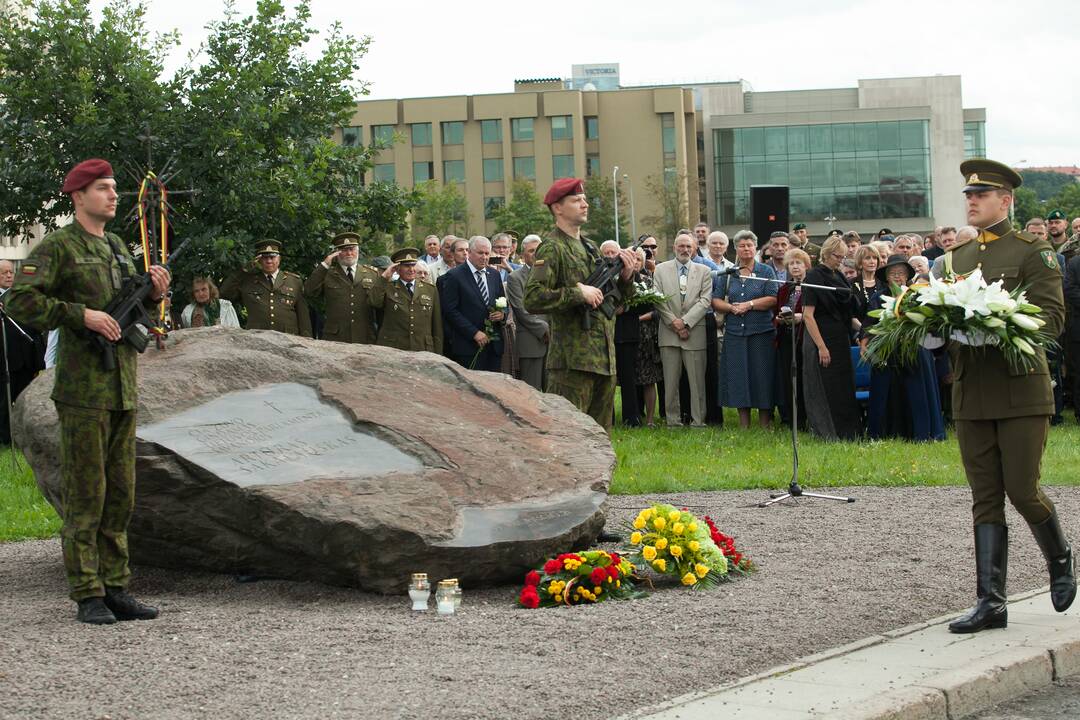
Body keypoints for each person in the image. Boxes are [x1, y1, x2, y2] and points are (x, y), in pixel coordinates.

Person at [5, 158, 168, 624]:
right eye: (103, 188)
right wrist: (81, 316)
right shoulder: (58, 247)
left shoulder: (117, 246)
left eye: (115, 188)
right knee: (86, 494)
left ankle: (117, 587)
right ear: (78, 197)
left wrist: (154, 293)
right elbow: (21, 301)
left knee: (121, 494)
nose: (114, 195)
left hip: (122, 387)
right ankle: (87, 592)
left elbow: (130, 312)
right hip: (82, 391)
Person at [944, 159, 1073, 634]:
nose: (972, 201)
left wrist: (993, 327)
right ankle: (990, 602)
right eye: (969, 195)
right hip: (972, 392)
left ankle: (1059, 557)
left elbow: (1052, 320)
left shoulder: (1032, 252)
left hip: (1021, 390)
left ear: (1007, 200)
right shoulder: (954, 258)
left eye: (982, 194)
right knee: (984, 497)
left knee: (1022, 489)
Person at [523, 177, 636, 432]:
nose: (585, 204)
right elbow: (532, 298)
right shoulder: (552, 247)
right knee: (568, 436)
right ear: (558, 208)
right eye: (576, 200)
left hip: (603, 359)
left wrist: (627, 277)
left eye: (584, 200)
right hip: (571, 364)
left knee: (600, 438)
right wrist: (577, 293)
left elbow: (614, 300)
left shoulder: (590, 247)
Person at [859, 255, 944, 442]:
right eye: (893, 273)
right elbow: (868, 324)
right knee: (885, 391)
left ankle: (922, 432)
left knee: (916, 391)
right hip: (887, 351)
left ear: (907, 276)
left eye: (901, 273)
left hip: (915, 350)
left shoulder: (917, 296)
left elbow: (931, 323)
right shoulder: (878, 297)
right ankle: (884, 432)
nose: (897, 277)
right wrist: (865, 342)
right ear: (887, 277)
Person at [712, 230, 778, 428]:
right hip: (735, 333)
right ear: (736, 248)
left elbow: (773, 298)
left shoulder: (766, 271)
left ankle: (765, 424)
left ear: (755, 247)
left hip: (761, 333)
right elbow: (715, 300)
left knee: (762, 376)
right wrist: (732, 307)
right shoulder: (729, 273)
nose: (746, 249)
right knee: (740, 375)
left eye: (749, 245)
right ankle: (744, 425)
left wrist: (748, 305)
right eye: (742, 245)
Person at [801, 235, 861, 440]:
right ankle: (829, 432)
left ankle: (849, 432)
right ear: (826, 253)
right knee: (826, 387)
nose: (840, 260)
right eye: (838, 256)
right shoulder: (813, 277)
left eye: (843, 257)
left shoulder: (840, 276)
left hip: (840, 337)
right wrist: (821, 346)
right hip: (822, 337)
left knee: (843, 387)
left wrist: (864, 330)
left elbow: (848, 313)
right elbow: (808, 315)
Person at [652, 232, 712, 427]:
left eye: (688, 246)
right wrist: (674, 323)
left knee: (697, 382)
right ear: (674, 248)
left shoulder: (704, 271)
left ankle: (698, 421)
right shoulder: (660, 269)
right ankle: (673, 421)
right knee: (670, 382)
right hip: (669, 333)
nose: (685, 250)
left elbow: (705, 301)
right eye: (681, 246)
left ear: (694, 249)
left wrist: (685, 322)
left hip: (695, 332)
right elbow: (657, 298)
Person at [438, 235, 505, 371]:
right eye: (480, 253)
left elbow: (503, 302)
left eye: (487, 253)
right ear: (469, 253)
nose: (485, 257)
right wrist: (474, 333)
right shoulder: (455, 276)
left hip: (493, 346)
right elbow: (450, 311)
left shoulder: (494, 275)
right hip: (468, 347)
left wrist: (502, 314)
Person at [220, 240, 311, 337]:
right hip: (257, 338)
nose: (269, 261)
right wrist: (243, 271)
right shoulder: (248, 280)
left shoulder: (294, 281)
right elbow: (224, 293)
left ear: (279, 258)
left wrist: (307, 339)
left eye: (272, 257)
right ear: (258, 260)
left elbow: (303, 316)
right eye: (265, 258)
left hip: (288, 337)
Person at [302, 232, 378, 343]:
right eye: (344, 250)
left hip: (365, 336)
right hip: (336, 337)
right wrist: (324, 265)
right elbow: (309, 291)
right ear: (337, 253)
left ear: (357, 251)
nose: (349, 253)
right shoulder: (327, 273)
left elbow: (379, 305)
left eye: (352, 249)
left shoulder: (372, 274)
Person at [0, 259, 46, 444]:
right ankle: (5, 438)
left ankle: (25, 437)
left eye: (11, 272)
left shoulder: (22, 296)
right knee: (4, 401)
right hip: (5, 359)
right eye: (4, 273)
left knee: (25, 400)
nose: (9, 276)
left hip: (27, 357)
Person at [370, 248, 443, 352]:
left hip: (422, 348)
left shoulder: (430, 289)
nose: (411, 269)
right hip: (394, 348)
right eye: (406, 266)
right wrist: (385, 277)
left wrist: (438, 354)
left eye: (413, 265)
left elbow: (437, 326)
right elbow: (374, 302)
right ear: (397, 268)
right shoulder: (387, 287)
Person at [506, 236, 548, 391]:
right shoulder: (515, 278)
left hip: (555, 344)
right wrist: (545, 329)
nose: (536, 254)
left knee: (555, 395)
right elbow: (521, 310)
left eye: (539, 250)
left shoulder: (552, 275)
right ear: (522, 255)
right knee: (532, 393)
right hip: (531, 344)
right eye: (531, 251)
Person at [775, 248, 810, 430]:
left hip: (805, 338)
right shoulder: (784, 289)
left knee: (805, 379)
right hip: (787, 338)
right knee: (789, 380)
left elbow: (817, 313)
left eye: (798, 263)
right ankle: (792, 419)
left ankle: (807, 418)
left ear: (806, 265)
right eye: (791, 264)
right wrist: (781, 319)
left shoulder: (812, 286)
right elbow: (776, 312)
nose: (795, 267)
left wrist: (801, 317)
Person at [635, 237, 664, 427]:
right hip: (628, 334)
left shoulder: (654, 275)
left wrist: (638, 319)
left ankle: (651, 419)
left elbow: (660, 307)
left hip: (648, 333)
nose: (648, 252)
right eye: (644, 248)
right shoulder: (624, 278)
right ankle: (634, 415)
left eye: (652, 247)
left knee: (649, 378)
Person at [850, 245, 880, 328]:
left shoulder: (884, 283)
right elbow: (850, 315)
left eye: (874, 258)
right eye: (867, 258)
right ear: (860, 262)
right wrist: (864, 332)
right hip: (858, 333)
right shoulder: (851, 284)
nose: (872, 261)